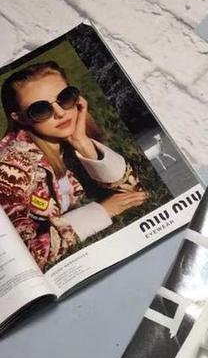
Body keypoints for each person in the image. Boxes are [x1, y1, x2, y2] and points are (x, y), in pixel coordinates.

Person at [0, 59, 147, 270]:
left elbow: (133, 192)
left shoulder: (67, 140)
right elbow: (27, 257)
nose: (60, 113)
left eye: (65, 98)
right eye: (40, 109)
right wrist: (102, 212)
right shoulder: (11, 170)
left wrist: (83, 143)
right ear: (20, 118)